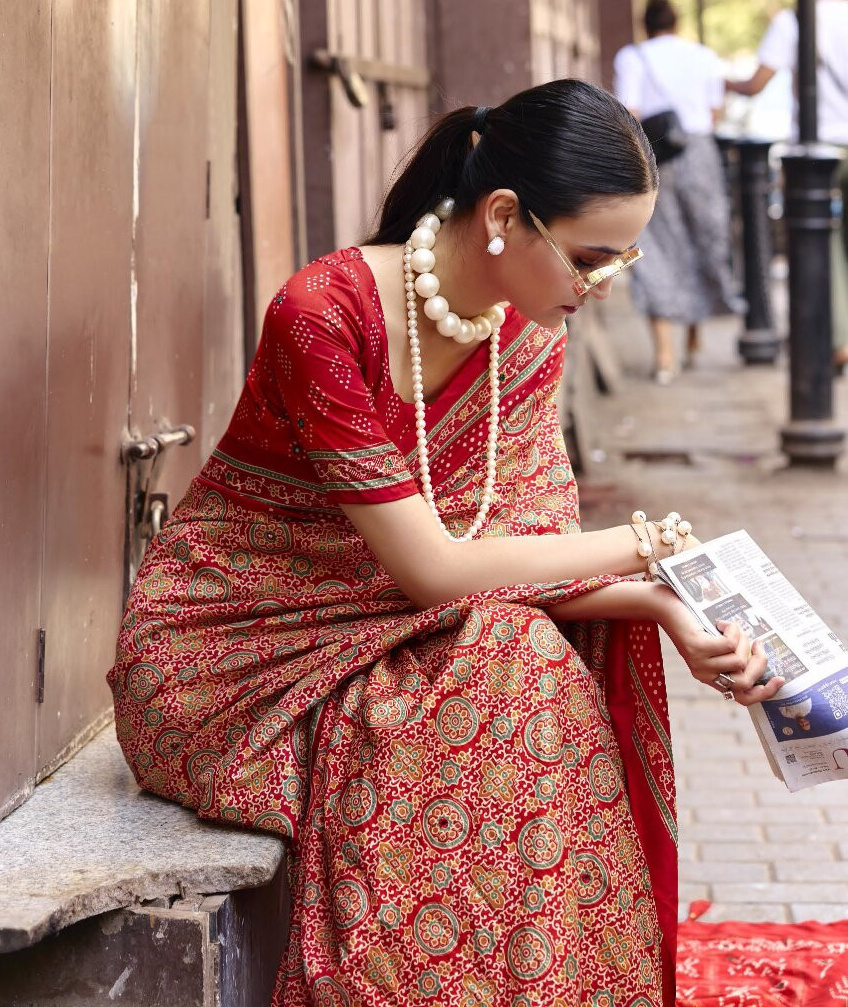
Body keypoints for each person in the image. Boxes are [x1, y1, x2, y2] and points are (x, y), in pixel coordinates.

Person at [108, 80, 783, 1007]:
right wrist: (635, 550)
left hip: (417, 624)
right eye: (591, 258)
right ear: (504, 214)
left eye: (621, 264)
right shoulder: (324, 316)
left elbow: (517, 554)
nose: (602, 288)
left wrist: (667, 608)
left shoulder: (530, 338)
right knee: (510, 673)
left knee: (520, 664)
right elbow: (436, 569)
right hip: (238, 647)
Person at [726, 0, 848, 372]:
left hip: (819, 155)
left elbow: (756, 84)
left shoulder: (793, 21)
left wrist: (717, 80)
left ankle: (837, 341)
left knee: (823, 247)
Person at [614, 0, 743, 384]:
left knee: (657, 246)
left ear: (646, 24)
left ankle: (665, 356)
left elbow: (629, 112)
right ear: (677, 21)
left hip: (656, 156)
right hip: (700, 154)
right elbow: (714, 112)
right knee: (702, 240)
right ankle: (693, 338)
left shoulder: (632, 57)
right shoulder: (704, 56)